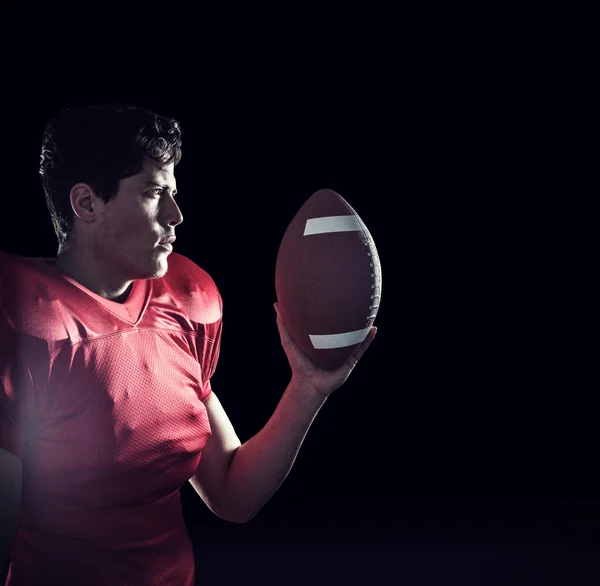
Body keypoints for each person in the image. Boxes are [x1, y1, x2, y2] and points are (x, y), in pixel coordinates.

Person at [0, 103, 376, 586]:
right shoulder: (22, 319)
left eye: (172, 193)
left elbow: (232, 494)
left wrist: (307, 389)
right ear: (86, 203)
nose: (176, 215)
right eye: (155, 193)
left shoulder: (186, 300)